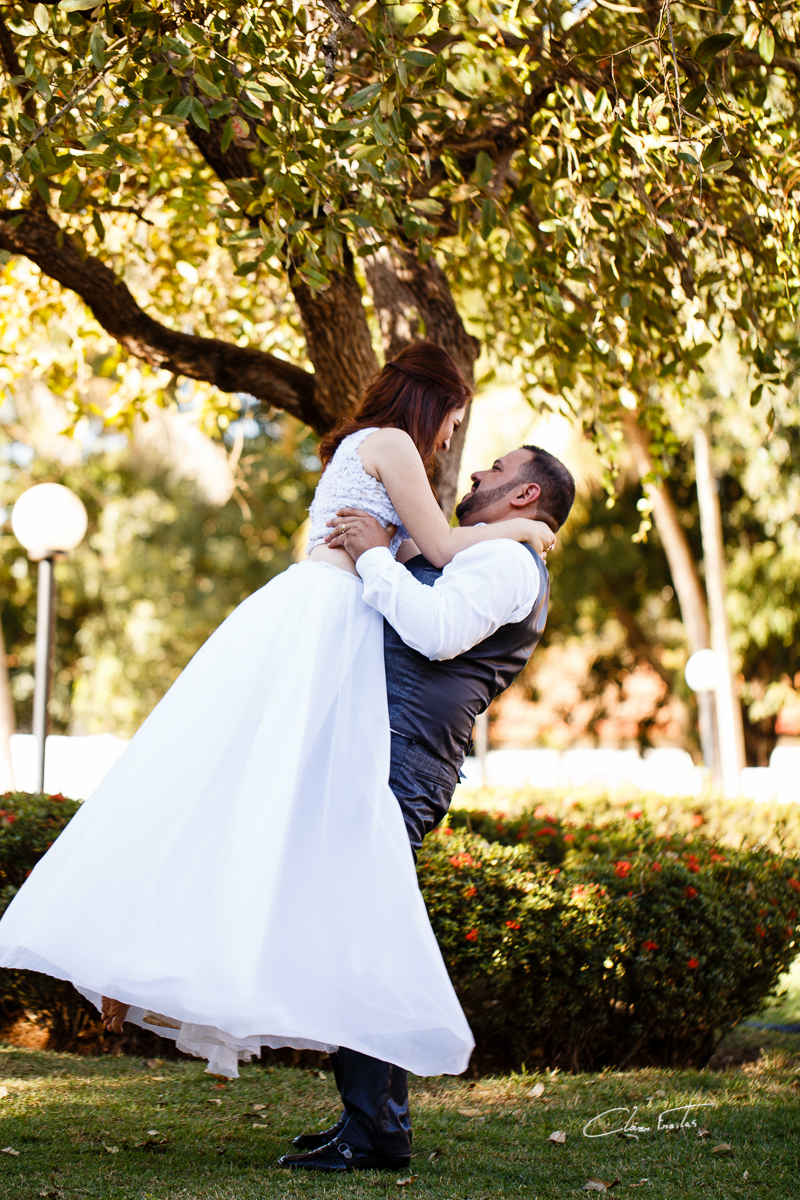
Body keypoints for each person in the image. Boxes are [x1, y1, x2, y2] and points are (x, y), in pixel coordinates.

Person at [0, 345, 554, 1117]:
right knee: (268, 805)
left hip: (328, 617)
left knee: (257, 807)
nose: (450, 447)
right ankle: (147, 963)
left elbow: (407, 556)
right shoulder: (391, 445)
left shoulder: (377, 450)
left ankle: (157, 960)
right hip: (327, 622)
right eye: (453, 423)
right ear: (429, 404)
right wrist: (521, 532)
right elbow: (438, 549)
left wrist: (431, 546)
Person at [278, 444, 575, 1172]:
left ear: (526, 493)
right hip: (383, 748)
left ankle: (376, 1132)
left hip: (403, 758)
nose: (475, 475)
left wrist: (380, 556)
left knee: (365, 936)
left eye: (494, 470)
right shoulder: (490, 549)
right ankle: (368, 1122)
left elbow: (437, 632)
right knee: (351, 930)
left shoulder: (507, 565)